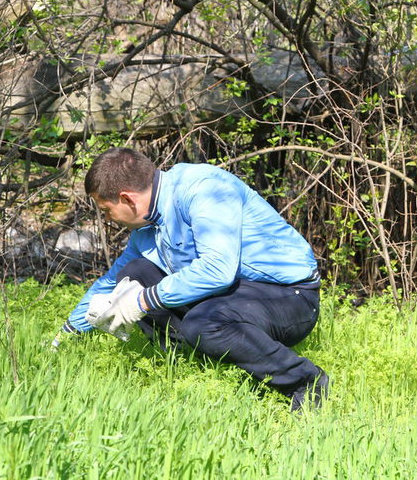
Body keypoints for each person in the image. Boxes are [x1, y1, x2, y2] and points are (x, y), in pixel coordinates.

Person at [57, 147, 329, 411]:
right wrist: (65, 336)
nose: (107, 218)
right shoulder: (147, 230)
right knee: (135, 274)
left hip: (289, 296)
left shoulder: (203, 189)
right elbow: (108, 283)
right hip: (234, 295)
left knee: (203, 322)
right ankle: (189, 367)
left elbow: (217, 269)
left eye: (106, 209)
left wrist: (142, 301)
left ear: (128, 199)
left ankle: (304, 381)